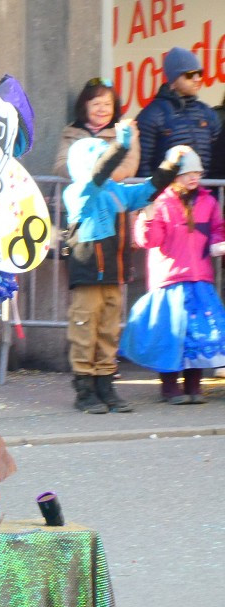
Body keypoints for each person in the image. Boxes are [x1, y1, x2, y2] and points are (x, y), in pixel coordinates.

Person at [62, 121, 182, 414]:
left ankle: (105, 385)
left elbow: (145, 192)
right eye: (101, 155)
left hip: (113, 275)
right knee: (84, 330)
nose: (108, 161)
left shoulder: (116, 192)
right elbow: (98, 173)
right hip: (88, 274)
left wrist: (170, 166)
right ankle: (84, 389)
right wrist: (123, 144)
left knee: (108, 331)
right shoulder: (79, 191)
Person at [120, 148, 225, 404]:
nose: (193, 178)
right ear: (174, 175)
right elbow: (149, 240)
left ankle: (194, 387)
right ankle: (170, 389)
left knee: (197, 336)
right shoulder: (162, 202)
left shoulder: (208, 202)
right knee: (171, 336)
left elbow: (217, 230)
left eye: (197, 173)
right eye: (187, 173)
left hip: (199, 279)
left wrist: (218, 244)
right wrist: (148, 215)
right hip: (170, 281)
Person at [135, 47, 220, 177]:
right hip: (164, 195)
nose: (197, 79)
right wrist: (152, 195)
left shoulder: (208, 113)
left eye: (200, 73)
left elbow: (218, 162)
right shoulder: (151, 115)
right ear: (173, 81)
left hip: (204, 194)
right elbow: (142, 165)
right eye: (190, 75)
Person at [54, 77, 138, 182]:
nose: (102, 109)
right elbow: (60, 166)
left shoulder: (125, 131)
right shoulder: (71, 131)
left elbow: (128, 167)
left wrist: (98, 177)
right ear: (85, 106)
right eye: (96, 104)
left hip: (111, 196)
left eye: (107, 104)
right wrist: (82, 173)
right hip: (79, 195)